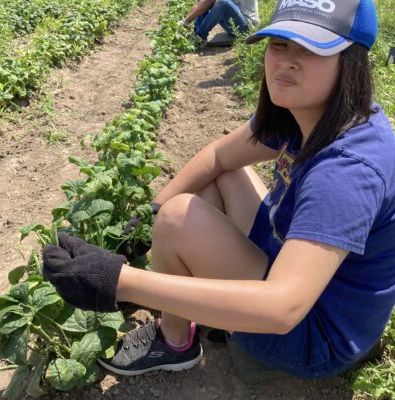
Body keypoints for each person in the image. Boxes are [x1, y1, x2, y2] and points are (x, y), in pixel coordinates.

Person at [43, 0, 395, 382]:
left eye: (311, 49)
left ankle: (174, 340)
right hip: (299, 275)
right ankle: (208, 305)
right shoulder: (316, 112)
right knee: (214, 183)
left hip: (316, 336)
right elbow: (218, 157)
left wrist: (118, 280)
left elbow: (283, 309)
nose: (287, 61)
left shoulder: (346, 172)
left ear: (351, 62)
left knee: (180, 219)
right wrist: (147, 217)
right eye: (279, 44)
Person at [179, 0, 259, 46]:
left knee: (222, 2)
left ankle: (199, 37)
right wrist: (186, 20)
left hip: (246, 27)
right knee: (205, 2)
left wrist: (186, 21)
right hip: (234, 25)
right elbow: (203, 3)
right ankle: (196, 32)